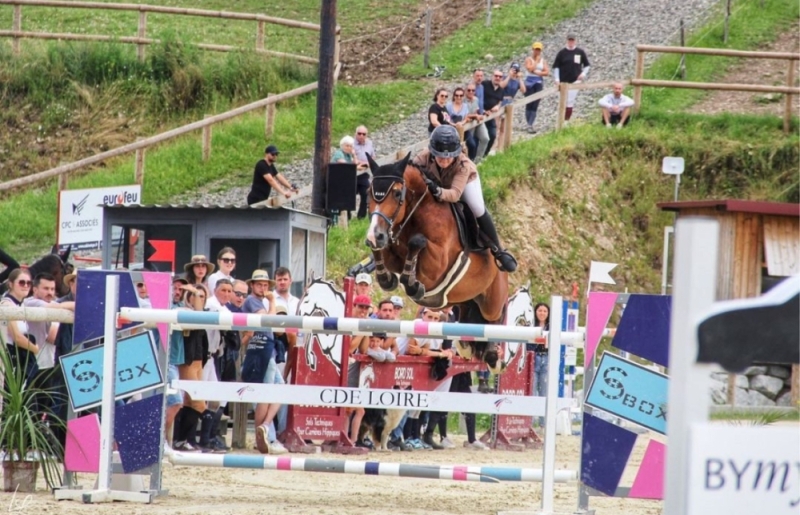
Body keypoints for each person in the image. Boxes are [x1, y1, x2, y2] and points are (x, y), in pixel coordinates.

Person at [414, 125, 517, 272]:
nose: (443, 160)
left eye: (447, 157)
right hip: (438, 183)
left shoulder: (463, 165)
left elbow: (455, 195)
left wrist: (436, 190)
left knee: (477, 208)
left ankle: (498, 250)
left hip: (464, 184)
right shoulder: (424, 156)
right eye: (439, 156)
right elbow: (409, 169)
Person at [240, 269, 288, 455]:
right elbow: (269, 322)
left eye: (265, 284)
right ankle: (267, 436)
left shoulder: (258, 301)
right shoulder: (253, 301)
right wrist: (273, 301)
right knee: (266, 392)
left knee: (277, 388)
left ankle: (266, 429)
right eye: (259, 284)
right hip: (261, 349)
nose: (263, 287)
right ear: (252, 285)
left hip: (265, 349)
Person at [552, 34, 591, 122]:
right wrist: (557, 79)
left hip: (575, 80)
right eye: (569, 40)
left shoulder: (580, 52)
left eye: (572, 40)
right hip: (563, 81)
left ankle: (566, 120)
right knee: (562, 101)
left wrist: (583, 74)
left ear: (575, 41)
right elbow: (556, 66)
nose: (571, 42)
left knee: (570, 101)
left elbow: (587, 65)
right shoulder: (562, 53)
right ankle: (560, 119)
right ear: (567, 41)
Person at [529, 302, 550, 427]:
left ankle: (543, 423)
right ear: (535, 312)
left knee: (544, 391)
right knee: (532, 391)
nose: (542, 313)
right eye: (539, 310)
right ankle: (529, 422)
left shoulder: (551, 326)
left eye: (544, 311)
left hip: (546, 358)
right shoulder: (531, 325)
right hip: (533, 357)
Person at [480, 69, 509, 157]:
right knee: (481, 137)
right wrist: (482, 110)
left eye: (500, 77)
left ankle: (484, 155)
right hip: (481, 114)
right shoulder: (485, 84)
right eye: (496, 76)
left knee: (492, 135)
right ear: (492, 76)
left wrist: (498, 106)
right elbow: (478, 97)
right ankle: (477, 156)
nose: (497, 78)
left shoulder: (501, 90)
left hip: (491, 116)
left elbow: (500, 101)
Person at [497, 63, 526, 148]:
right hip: (502, 100)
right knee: (497, 125)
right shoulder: (505, 77)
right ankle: (493, 146)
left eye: (516, 69)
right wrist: (509, 76)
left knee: (503, 127)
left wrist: (520, 78)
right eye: (513, 69)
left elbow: (523, 90)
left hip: (510, 101)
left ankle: (500, 146)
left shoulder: (517, 81)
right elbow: (501, 86)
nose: (514, 71)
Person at [524, 42, 550, 133]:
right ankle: (528, 123)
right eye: (536, 49)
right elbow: (529, 69)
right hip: (529, 82)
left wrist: (538, 73)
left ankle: (530, 124)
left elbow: (547, 72)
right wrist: (535, 62)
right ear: (533, 49)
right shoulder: (529, 59)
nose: (537, 51)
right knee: (529, 102)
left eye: (539, 50)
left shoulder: (543, 61)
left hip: (538, 81)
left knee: (536, 102)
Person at [446, 86, 475, 159]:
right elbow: (446, 118)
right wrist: (454, 124)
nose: (459, 97)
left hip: (463, 129)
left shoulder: (465, 106)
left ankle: (471, 162)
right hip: (452, 129)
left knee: (472, 145)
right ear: (454, 96)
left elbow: (466, 117)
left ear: (463, 96)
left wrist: (462, 123)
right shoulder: (449, 105)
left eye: (461, 95)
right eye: (457, 95)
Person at [352, 126, 374, 219]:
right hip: (352, 173)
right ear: (355, 134)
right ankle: (347, 216)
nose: (361, 136)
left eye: (363, 134)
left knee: (366, 194)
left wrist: (367, 163)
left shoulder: (369, 144)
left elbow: (372, 157)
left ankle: (361, 216)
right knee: (350, 195)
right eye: (359, 133)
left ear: (366, 135)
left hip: (364, 173)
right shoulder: (351, 143)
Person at [464, 83, 488, 163]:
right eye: (469, 90)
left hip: (476, 122)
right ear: (465, 91)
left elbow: (477, 110)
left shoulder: (476, 99)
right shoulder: (462, 100)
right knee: (470, 144)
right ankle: (469, 162)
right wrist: (475, 115)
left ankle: (478, 161)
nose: (471, 92)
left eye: (473, 90)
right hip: (467, 124)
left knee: (485, 138)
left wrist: (483, 113)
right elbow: (463, 114)